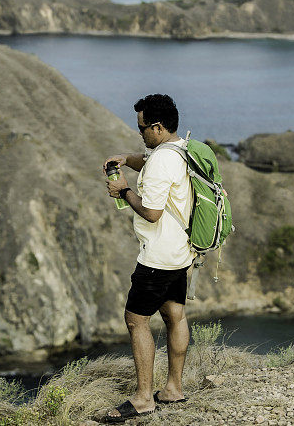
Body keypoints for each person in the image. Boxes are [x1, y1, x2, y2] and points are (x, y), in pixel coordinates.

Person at [102, 94, 193, 423]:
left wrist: (123, 191)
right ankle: (173, 389)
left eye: (142, 128)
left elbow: (152, 212)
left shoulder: (160, 162)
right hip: (181, 252)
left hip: (157, 256)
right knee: (174, 315)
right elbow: (152, 160)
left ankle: (143, 399)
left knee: (136, 319)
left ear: (157, 126)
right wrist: (126, 158)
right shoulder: (182, 149)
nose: (139, 132)